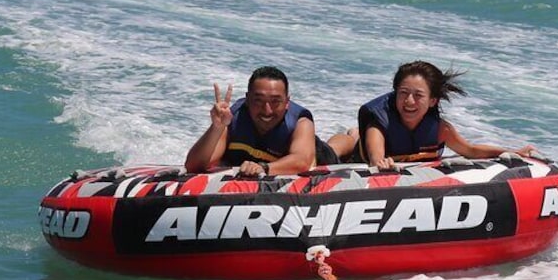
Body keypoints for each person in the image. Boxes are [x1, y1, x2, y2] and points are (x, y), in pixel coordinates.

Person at [348, 60, 536, 169]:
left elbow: (470, 151)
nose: (409, 101)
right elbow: (376, 158)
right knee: (341, 147)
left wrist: (511, 152)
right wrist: (382, 163)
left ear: (432, 101)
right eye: (403, 93)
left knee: (354, 135)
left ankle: (353, 133)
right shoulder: (379, 123)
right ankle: (351, 136)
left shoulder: (440, 129)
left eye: (418, 95)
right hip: (355, 156)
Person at [184, 66, 352, 176]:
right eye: (258, 100)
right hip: (258, 155)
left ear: (287, 102)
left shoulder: (300, 122)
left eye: (275, 101)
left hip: (313, 152)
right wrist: (216, 127)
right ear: (247, 99)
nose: (267, 110)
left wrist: (263, 168)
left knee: (335, 149)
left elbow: (301, 161)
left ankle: (353, 136)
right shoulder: (232, 118)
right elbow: (194, 166)